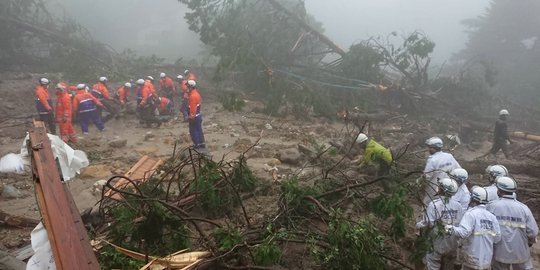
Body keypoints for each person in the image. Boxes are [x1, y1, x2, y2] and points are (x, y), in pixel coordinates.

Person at [487, 177, 538, 270]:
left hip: (499, 252)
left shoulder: (492, 206)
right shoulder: (524, 208)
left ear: (499, 190)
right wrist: (530, 242)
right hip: (520, 252)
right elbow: (533, 232)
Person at [447, 186, 501, 270]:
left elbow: (463, 233)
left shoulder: (471, 214)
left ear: (473, 199)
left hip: (472, 258)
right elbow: (497, 238)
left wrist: (449, 228)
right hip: (487, 260)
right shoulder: (492, 217)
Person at [416, 178, 464, 270]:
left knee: (433, 264)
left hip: (436, 241)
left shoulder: (434, 204)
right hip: (452, 242)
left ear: (441, 189)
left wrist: (418, 225)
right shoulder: (458, 206)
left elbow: (429, 223)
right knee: (449, 266)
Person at [423, 137, 461, 205]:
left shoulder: (432, 160)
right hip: (449, 188)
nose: (428, 149)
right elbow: (458, 169)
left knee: (429, 207)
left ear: (433, 148)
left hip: (434, 190)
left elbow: (427, 176)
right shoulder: (449, 156)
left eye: (430, 147)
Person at [187, 80, 206, 150]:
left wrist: (191, 117)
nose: (187, 88)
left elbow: (192, 108)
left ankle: (196, 145)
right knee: (199, 129)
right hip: (198, 115)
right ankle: (201, 143)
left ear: (191, 87)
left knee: (193, 130)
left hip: (194, 116)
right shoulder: (197, 94)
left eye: (188, 86)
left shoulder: (192, 96)